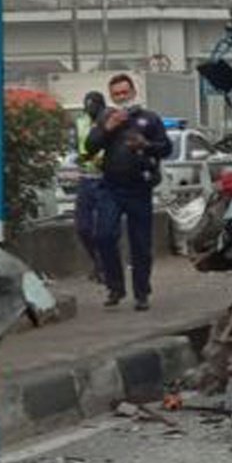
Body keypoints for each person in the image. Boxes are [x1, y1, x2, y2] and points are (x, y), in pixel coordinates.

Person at [85, 75, 172, 310]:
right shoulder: (105, 118)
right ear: (111, 96)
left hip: (139, 188)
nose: (122, 97)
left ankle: (141, 293)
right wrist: (107, 128)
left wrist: (146, 145)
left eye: (125, 92)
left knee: (141, 244)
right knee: (103, 235)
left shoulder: (149, 118)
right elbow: (90, 146)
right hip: (111, 187)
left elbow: (166, 148)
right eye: (117, 94)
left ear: (133, 92)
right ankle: (115, 287)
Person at [72, 91, 108, 282]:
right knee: (83, 227)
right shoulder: (80, 123)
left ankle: (104, 267)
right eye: (88, 106)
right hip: (85, 178)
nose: (90, 109)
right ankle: (98, 262)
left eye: (94, 105)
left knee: (103, 229)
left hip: (105, 179)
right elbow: (76, 147)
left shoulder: (110, 119)